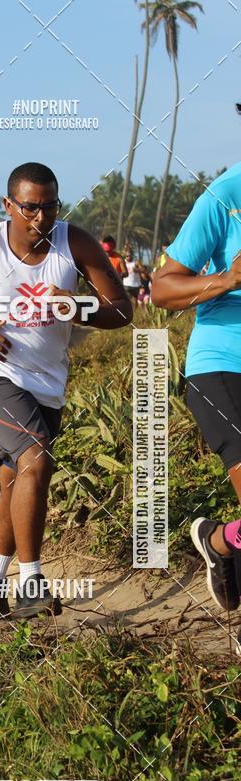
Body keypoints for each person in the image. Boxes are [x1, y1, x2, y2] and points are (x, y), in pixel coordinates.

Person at [0, 162, 132, 620]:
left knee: (18, 479)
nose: (41, 218)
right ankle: (32, 581)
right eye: (31, 208)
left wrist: (78, 307)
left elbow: (122, 310)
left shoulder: (74, 243)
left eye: (50, 206)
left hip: (46, 384)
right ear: (9, 205)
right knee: (36, 455)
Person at [152, 160, 241, 614]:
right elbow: (163, 290)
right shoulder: (225, 196)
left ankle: (222, 540)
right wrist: (229, 279)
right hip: (223, 365)